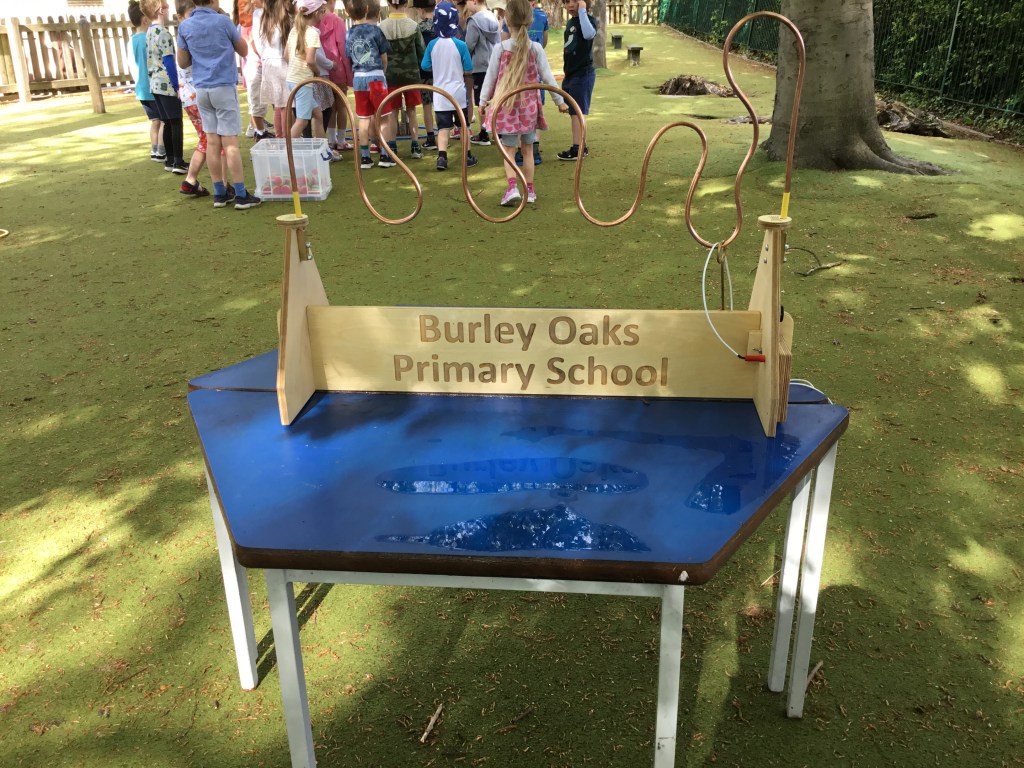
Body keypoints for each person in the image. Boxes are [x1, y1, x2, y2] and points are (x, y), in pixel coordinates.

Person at [176, 0, 262, 209]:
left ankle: (219, 193)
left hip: (201, 89)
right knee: (230, 143)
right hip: (223, 86)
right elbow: (244, 50)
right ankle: (241, 194)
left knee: (212, 143)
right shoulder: (223, 21)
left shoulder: (185, 26)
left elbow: (183, 62)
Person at [479, 0, 565, 205]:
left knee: (509, 150)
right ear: (531, 20)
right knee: (527, 149)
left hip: (507, 108)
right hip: (528, 109)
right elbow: (548, 78)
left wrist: (482, 101)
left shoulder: (501, 48)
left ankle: (512, 188)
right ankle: (529, 190)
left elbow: (490, 78)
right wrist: (559, 101)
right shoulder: (535, 48)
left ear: (507, 21)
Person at [420, 1, 477, 171]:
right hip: (458, 94)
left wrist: (437, 68)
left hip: (440, 95)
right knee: (464, 126)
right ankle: (467, 156)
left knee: (443, 128)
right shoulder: (460, 45)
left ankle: (442, 157)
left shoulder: (432, 45)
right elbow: (468, 67)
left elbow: (424, 66)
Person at [345, 0, 393, 169]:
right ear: (366, 9)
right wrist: (382, 73)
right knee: (384, 117)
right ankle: (385, 154)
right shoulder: (376, 30)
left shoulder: (349, 34)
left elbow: (349, 57)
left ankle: (365, 157)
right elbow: (384, 57)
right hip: (376, 77)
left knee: (364, 118)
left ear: (347, 12)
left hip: (359, 78)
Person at [141, 0, 187, 174]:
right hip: (166, 83)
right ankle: (178, 161)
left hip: (154, 83)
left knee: (167, 122)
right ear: (161, 10)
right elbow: (169, 61)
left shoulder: (149, 31)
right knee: (176, 122)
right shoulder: (163, 33)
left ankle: (170, 159)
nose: (169, 11)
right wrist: (177, 86)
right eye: (167, 7)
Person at [379, 0, 426, 160]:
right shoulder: (414, 26)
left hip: (390, 76)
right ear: (406, 4)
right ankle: (415, 145)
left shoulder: (382, 27)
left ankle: (392, 145)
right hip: (411, 75)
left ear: (388, 4)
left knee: (393, 111)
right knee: (412, 111)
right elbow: (421, 51)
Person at [174, 0, 211, 197]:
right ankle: (218, 183)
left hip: (189, 98)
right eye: (191, 14)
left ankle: (191, 180)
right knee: (210, 139)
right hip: (196, 97)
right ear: (180, 17)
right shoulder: (187, 37)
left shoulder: (184, 35)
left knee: (205, 139)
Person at [286, 0, 330, 141]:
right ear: (316, 13)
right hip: (303, 82)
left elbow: (286, 55)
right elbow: (310, 60)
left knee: (317, 114)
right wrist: (317, 73)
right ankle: (287, 151)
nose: (323, 14)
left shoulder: (295, 30)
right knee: (302, 121)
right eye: (323, 11)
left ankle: (323, 149)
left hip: (292, 79)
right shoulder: (312, 33)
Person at [126, 0, 165, 162]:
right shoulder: (147, 38)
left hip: (141, 89)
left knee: (154, 121)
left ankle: (154, 150)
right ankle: (162, 150)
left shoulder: (131, 41)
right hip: (152, 87)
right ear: (145, 20)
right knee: (163, 120)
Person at [557, 0, 595, 161]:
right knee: (573, 111)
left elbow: (589, 34)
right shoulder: (571, 22)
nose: (570, 5)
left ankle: (578, 148)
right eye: (567, 2)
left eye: (575, 1)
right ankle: (580, 145)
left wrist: (583, 11)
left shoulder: (589, 20)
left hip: (583, 73)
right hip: (571, 73)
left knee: (576, 112)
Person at [317, 0, 354, 151]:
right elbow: (343, 49)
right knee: (342, 106)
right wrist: (349, 73)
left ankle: (332, 140)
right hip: (338, 68)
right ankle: (341, 140)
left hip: (322, 70)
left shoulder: (315, 20)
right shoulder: (337, 21)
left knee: (329, 106)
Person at [463, 0, 500, 146]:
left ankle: (484, 133)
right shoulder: (493, 17)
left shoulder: (473, 21)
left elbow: (469, 45)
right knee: (495, 98)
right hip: (495, 63)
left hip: (480, 66)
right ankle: (499, 132)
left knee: (482, 101)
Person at [257, 0, 292, 137]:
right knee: (285, 106)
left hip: (268, 64)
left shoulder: (264, 19)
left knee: (278, 105)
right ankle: (286, 139)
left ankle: (280, 138)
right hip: (281, 64)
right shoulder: (285, 20)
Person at [413, 0, 437, 149]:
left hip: (424, 73)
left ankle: (430, 137)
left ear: (421, 10)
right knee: (440, 105)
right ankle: (443, 135)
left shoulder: (418, 28)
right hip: (440, 73)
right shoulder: (441, 27)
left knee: (427, 105)